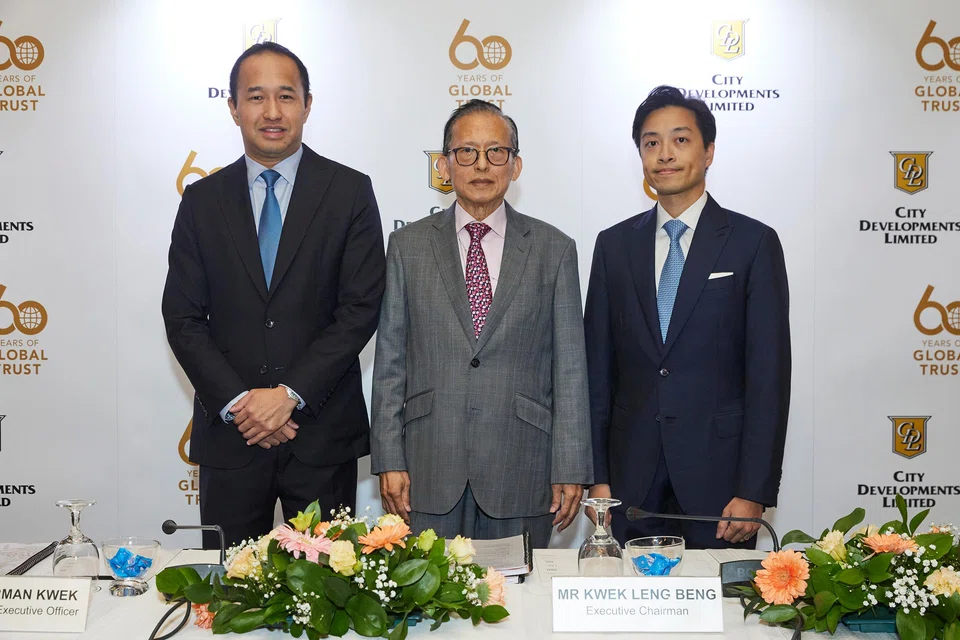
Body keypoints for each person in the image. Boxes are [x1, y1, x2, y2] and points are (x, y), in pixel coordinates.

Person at [161, 42, 385, 548]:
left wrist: (289, 396)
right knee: (230, 588)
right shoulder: (201, 200)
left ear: (307, 105)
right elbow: (182, 317)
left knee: (329, 586)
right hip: (232, 437)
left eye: (285, 96)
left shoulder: (349, 191)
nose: (272, 112)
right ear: (233, 107)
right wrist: (244, 405)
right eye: (256, 97)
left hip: (320, 434)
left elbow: (360, 309)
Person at [370, 99, 592, 549]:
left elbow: (569, 368)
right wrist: (388, 458)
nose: (482, 165)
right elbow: (390, 361)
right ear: (445, 165)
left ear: (515, 165)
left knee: (518, 590)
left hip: (522, 464)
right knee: (428, 590)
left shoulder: (554, 249)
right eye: (467, 152)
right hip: (428, 464)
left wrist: (570, 465)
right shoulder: (407, 246)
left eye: (496, 152)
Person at [584, 86, 790, 549]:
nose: (665, 154)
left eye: (680, 140)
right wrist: (597, 478)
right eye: (651, 142)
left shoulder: (753, 243)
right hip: (630, 486)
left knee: (722, 597)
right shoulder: (613, 246)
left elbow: (769, 377)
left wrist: (753, 490)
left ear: (708, 151)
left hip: (721, 486)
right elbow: (597, 372)